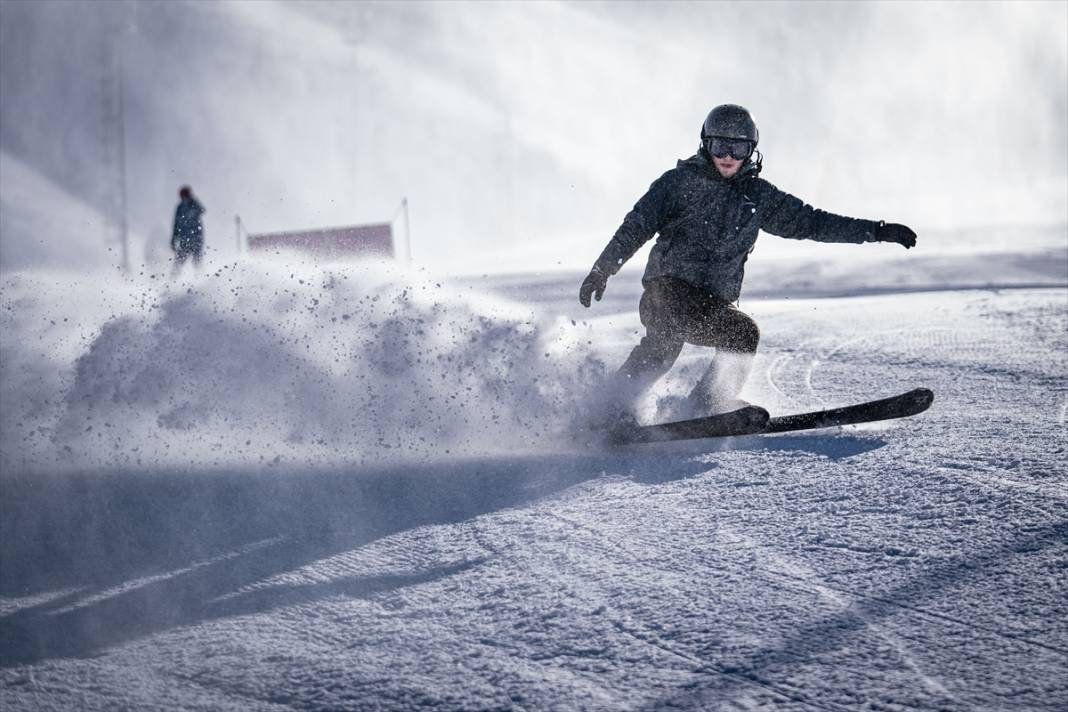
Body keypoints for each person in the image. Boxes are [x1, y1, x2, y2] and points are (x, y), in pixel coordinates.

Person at [579, 104, 916, 427]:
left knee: (735, 336)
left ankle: (700, 406)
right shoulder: (677, 184)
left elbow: (813, 222)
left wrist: (876, 231)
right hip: (666, 291)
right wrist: (602, 269)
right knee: (676, 342)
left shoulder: (758, 196)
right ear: (705, 144)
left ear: (751, 151)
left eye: (738, 149)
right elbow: (635, 225)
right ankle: (611, 410)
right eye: (720, 146)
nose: (728, 156)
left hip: (711, 302)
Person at [171, 185, 205, 275]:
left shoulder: (193, 203)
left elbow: (202, 210)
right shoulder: (179, 207)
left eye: (184, 194)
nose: (182, 197)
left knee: (197, 261)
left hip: (196, 237)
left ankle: (200, 279)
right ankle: (172, 281)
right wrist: (174, 239)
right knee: (178, 262)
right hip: (184, 239)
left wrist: (192, 211)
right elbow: (176, 224)